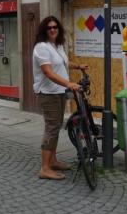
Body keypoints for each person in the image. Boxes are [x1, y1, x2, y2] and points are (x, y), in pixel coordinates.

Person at [32, 16, 89, 180]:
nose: (52, 30)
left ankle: (53, 160)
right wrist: (69, 83)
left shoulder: (57, 45)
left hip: (59, 92)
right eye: (49, 28)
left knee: (56, 127)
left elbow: (63, 63)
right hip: (47, 94)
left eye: (55, 27)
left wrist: (78, 66)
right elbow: (48, 72)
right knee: (51, 127)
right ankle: (44, 168)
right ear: (44, 30)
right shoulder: (41, 47)